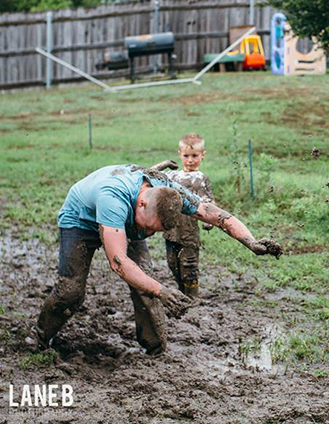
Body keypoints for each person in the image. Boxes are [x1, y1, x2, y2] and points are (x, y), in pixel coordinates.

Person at [34, 164, 281, 355]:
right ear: (141, 204)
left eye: (156, 232)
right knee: (71, 291)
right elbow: (118, 262)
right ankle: (41, 336)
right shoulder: (113, 198)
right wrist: (162, 290)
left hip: (129, 221)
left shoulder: (168, 192)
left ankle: (155, 348)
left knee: (145, 284)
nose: (150, 235)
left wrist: (250, 241)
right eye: (151, 229)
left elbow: (212, 214)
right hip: (80, 221)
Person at [152, 133, 215, 297]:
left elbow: (208, 202)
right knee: (172, 264)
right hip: (171, 229)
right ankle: (182, 293)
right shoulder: (172, 176)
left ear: (203, 155)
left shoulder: (201, 179)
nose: (191, 160)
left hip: (189, 231)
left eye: (195, 156)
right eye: (186, 156)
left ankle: (192, 298)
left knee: (189, 265)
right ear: (180, 154)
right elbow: (149, 174)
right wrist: (163, 165)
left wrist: (210, 221)